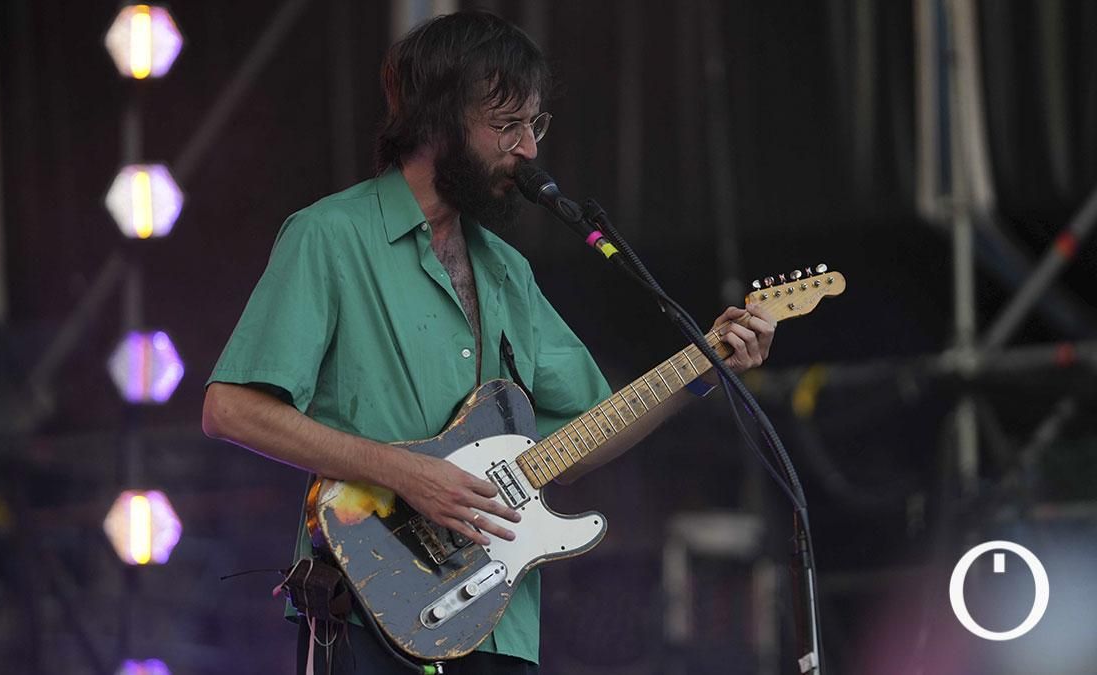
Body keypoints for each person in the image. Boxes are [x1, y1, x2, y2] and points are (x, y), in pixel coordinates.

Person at [202, 10, 775, 674]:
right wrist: (404, 472)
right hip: (367, 604)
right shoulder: (330, 236)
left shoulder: (507, 270)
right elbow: (230, 409)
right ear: (436, 122)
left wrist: (705, 368)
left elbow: (581, 437)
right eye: (507, 126)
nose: (528, 148)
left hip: (499, 624)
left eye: (535, 124)